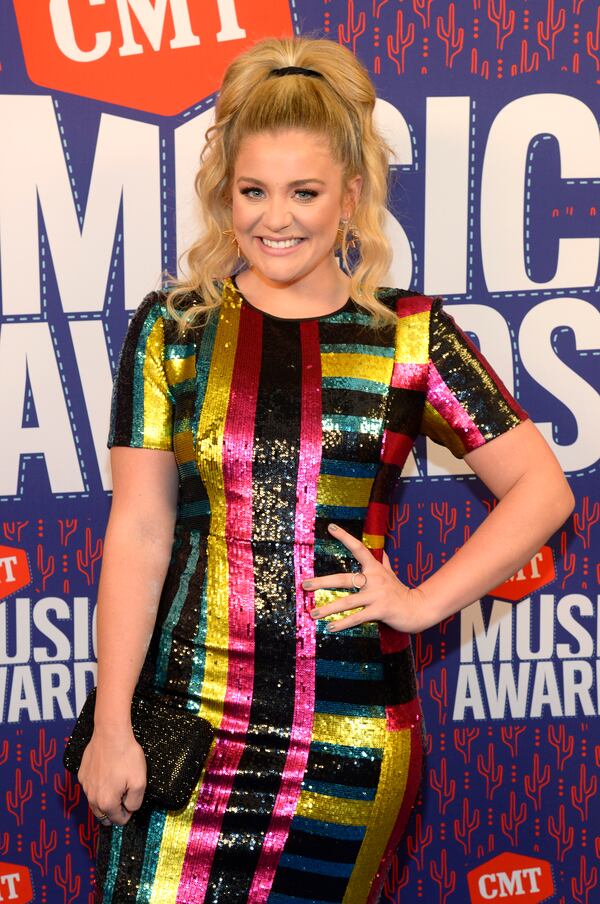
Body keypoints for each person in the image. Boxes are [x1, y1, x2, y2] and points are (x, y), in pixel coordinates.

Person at [76, 35, 574, 904]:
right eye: (254, 191)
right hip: (185, 725)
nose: (278, 218)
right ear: (223, 195)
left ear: (350, 195)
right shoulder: (175, 328)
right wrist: (112, 724)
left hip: (348, 738)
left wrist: (418, 603)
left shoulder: (410, 338)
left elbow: (543, 488)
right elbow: (142, 529)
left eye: (305, 192)